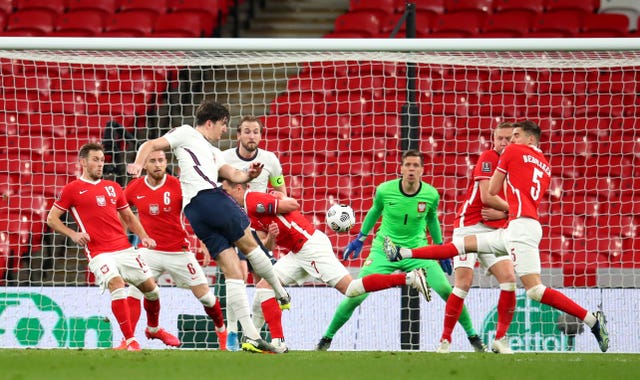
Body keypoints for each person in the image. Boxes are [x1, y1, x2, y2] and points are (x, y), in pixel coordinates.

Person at [384, 121, 609, 353]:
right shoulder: (545, 164)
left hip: (516, 229)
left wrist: (504, 203)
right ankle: (403, 252)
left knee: (534, 290)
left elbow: (491, 191)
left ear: (530, 139)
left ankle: (591, 319)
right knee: (460, 248)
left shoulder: (511, 152)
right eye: (503, 138)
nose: (509, 141)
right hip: (499, 227)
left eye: (514, 136)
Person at [127, 100, 289, 354]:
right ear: (211, 122)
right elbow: (150, 144)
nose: (224, 131)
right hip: (210, 197)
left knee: (234, 271)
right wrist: (138, 163)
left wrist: (251, 174)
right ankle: (281, 292)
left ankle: (251, 335)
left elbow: (234, 176)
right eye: (223, 125)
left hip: (195, 212)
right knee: (250, 244)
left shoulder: (212, 152)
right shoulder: (186, 133)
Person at [220, 177, 431, 353]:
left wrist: (283, 198)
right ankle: (271, 341)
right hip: (297, 252)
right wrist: (272, 237)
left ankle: (409, 278)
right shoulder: (245, 213)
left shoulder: (252, 200)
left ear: (238, 187)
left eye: (225, 189)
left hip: (310, 247)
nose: (223, 194)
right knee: (264, 287)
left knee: (351, 289)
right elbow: (268, 243)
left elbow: (294, 206)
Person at [315, 149, 486, 352]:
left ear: (422, 170)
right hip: (384, 249)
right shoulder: (385, 190)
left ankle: (474, 338)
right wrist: (360, 238)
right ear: (401, 168)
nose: (411, 169)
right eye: (408, 165)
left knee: (447, 291)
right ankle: (326, 339)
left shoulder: (431, 194)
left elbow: (432, 219)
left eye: (415, 165)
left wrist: (440, 249)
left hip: (417, 251)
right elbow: (374, 211)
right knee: (356, 295)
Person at [46, 143, 178, 351]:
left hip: (124, 249)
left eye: (102, 160)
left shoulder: (113, 187)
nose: (100, 165)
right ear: (83, 162)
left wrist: (144, 236)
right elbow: (52, 219)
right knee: (117, 285)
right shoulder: (71, 189)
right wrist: (73, 234)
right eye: (95, 160)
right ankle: (130, 340)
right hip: (99, 252)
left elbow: (128, 216)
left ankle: (153, 329)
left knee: (152, 291)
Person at [124, 149, 227, 350]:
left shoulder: (177, 186)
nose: (157, 164)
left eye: (161, 160)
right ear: (144, 165)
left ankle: (222, 333)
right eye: (152, 161)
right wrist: (122, 240)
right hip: (149, 251)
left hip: (178, 251)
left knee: (206, 296)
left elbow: (197, 214)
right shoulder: (134, 188)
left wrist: (204, 243)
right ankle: (130, 340)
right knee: (135, 290)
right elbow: (122, 211)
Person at [435, 122, 517, 353]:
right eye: (499, 138)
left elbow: (508, 204)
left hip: (493, 230)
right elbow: (486, 196)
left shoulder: (517, 165)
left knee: (509, 279)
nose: (503, 143)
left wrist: (504, 212)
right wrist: (511, 210)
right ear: (493, 140)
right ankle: (445, 340)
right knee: (463, 283)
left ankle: (500, 339)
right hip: (469, 226)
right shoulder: (489, 158)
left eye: (508, 139)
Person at [220, 115, 287, 351]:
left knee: (265, 282)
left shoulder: (270, 160)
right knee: (236, 275)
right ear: (238, 135)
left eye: (256, 132)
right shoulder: (224, 159)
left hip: (259, 229)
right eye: (247, 131)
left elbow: (280, 192)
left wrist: (279, 199)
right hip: (232, 227)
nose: (251, 136)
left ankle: (265, 336)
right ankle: (231, 333)